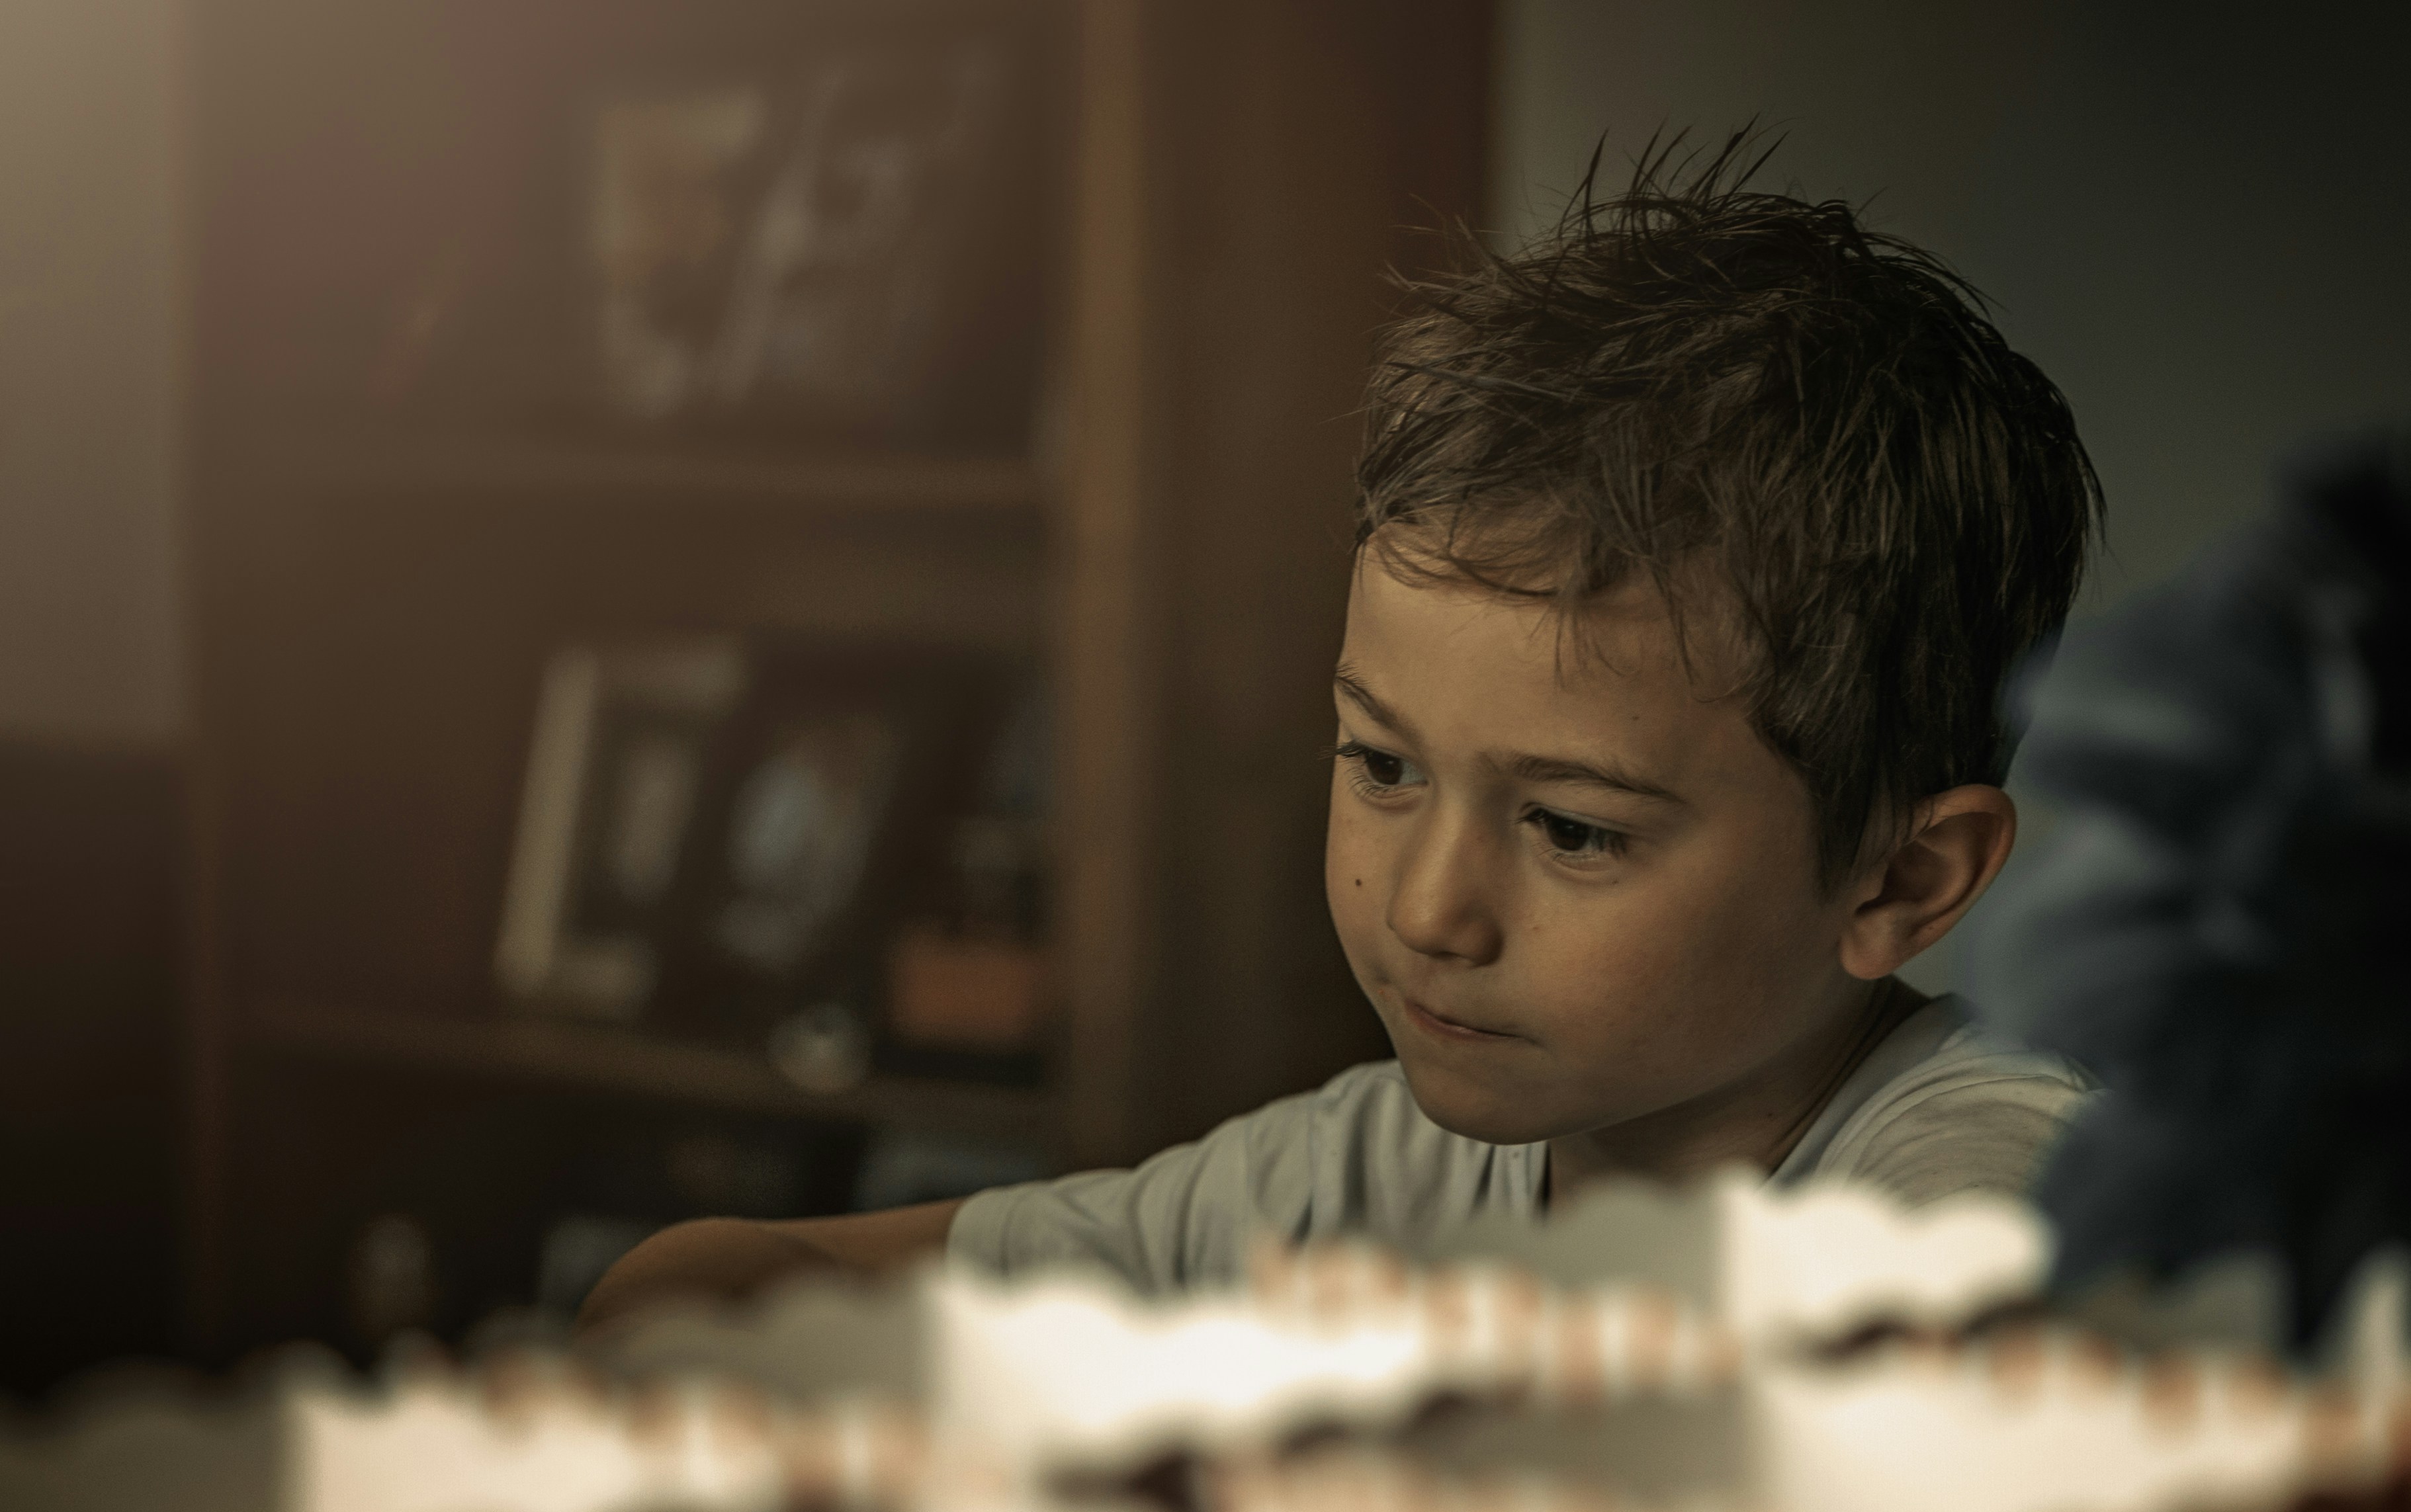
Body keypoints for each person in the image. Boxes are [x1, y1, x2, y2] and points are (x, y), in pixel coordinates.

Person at [582, 140, 2101, 1325]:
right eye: (1381, 763)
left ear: (1903, 882)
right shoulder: (1382, 1171)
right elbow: (725, 1277)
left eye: (1573, 827)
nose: (1428, 909)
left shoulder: (1992, 1208)